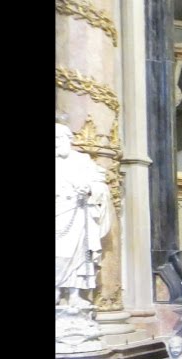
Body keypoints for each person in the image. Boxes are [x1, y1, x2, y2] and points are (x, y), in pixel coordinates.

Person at [55, 122, 112, 307]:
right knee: (58, 254)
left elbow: (100, 184)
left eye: (58, 139)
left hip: (78, 213)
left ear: (68, 139)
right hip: (59, 211)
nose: (56, 144)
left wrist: (89, 188)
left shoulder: (82, 161)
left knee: (79, 255)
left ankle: (74, 294)